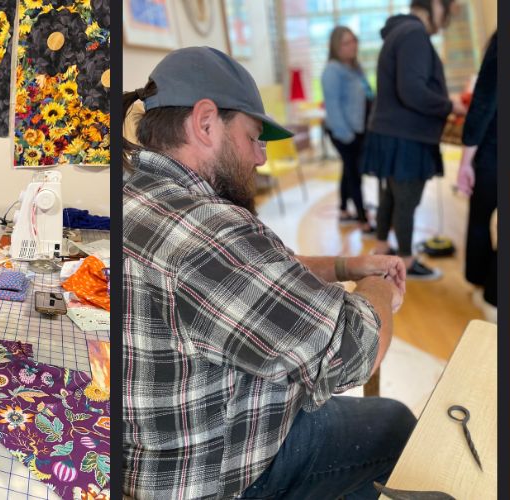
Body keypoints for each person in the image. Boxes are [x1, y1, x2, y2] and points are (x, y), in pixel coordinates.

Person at [121, 47, 417, 499]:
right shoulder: (208, 231)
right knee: (395, 426)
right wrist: (377, 285)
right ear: (205, 123)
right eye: (253, 137)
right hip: (218, 478)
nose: (260, 158)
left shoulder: (138, 194)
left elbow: (266, 269)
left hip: (156, 459)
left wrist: (347, 266)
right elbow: (357, 351)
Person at [364, 0, 463, 280]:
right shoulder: (414, 34)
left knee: (392, 195)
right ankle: (405, 262)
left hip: (394, 133)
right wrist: (449, 106)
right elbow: (412, 91)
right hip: (405, 136)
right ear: (435, 5)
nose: (444, 20)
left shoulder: (401, 31)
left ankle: (382, 248)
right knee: (406, 199)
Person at [458, 32, 501, 309]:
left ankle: (485, 289)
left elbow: (483, 104)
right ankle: (489, 291)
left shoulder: (501, 43)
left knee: (481, 219)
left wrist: (465, 162)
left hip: (492, 152)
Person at [321, 26, 374, 232]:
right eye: (346, 43)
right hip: (344, 132)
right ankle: (362, 220)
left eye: (354, 41)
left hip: (359, 129)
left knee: (348, 169)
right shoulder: (332, 71)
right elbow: (333, 108)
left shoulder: (355, 67)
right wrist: (348, 137)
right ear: (336, 46)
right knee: (354, 173)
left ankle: (344, 210)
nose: (352, 46)